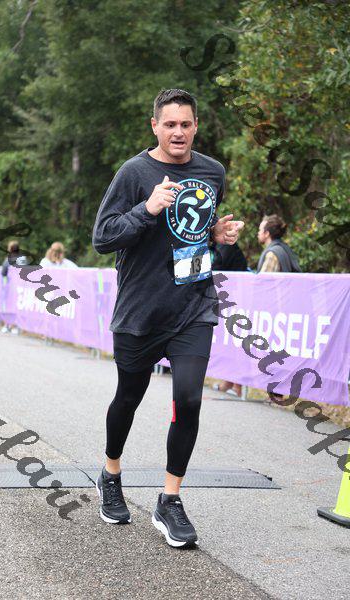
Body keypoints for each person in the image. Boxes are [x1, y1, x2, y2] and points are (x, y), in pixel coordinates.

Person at [92, 88, 244, 548]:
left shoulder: (212, 172)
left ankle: (170, 499)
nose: (179, 132)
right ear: (155, 126)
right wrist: (147, 208)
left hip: (193, 305)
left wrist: (218, 235)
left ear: (196, 126)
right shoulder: (134, 173)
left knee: (189, 398)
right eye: (170, 124)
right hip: (141, 309)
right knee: (129, 397)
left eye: (186, 124)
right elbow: (103, 237)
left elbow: (196, 233)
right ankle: (111, 473)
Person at [257, 215, 301, 403]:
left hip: (276, 311)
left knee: (273, 352)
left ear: (267, 233)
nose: (258, 233)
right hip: (289, 308)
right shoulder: (285, 249)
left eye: (260, 229)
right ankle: (277, 393)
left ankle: (276, 393)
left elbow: (263, 284)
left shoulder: (272, 254)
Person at [211, 243, 248, 397]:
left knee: (237, 342)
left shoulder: (225, 245)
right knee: (229, 342)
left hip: (237, 300)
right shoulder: (217, 245)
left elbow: (215, 268)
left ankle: (238, 386)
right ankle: (228, 381)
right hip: (228, 300)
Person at [0, 240, 29, 333]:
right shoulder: (23, 258)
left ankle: (7, 325)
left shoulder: (8, 259)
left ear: (10, 249)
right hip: (21, 287)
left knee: (9, 306)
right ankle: (16, 327)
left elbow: (3, 272)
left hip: (11, 287)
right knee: (18, 306)